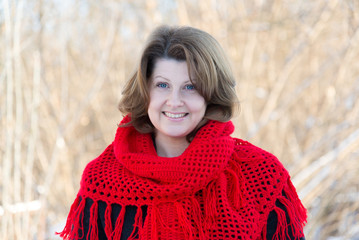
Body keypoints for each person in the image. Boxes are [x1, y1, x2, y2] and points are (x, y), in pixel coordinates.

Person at [58, 25, 307, 240]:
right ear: (145, 91)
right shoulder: (103, 181)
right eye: (163, 85)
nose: (174, 101)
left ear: (212, 94)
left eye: (190, 87)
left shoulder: (259, 175)